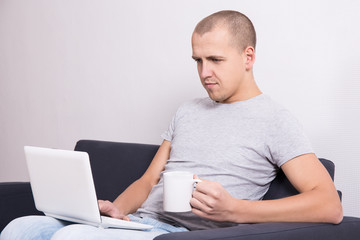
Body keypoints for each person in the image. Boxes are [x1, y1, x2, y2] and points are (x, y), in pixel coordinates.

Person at [0, 10, 343, 240]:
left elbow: (329, 206)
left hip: (181, 235)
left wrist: (237, 209)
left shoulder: (275, 120)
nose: (204, 72)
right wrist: (116, 211)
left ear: (248, 57)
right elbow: (149, 181)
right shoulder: (187, 111)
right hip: (140, 225)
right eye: (198, 60)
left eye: (216, 60)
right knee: (22, 227)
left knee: (71, 237)